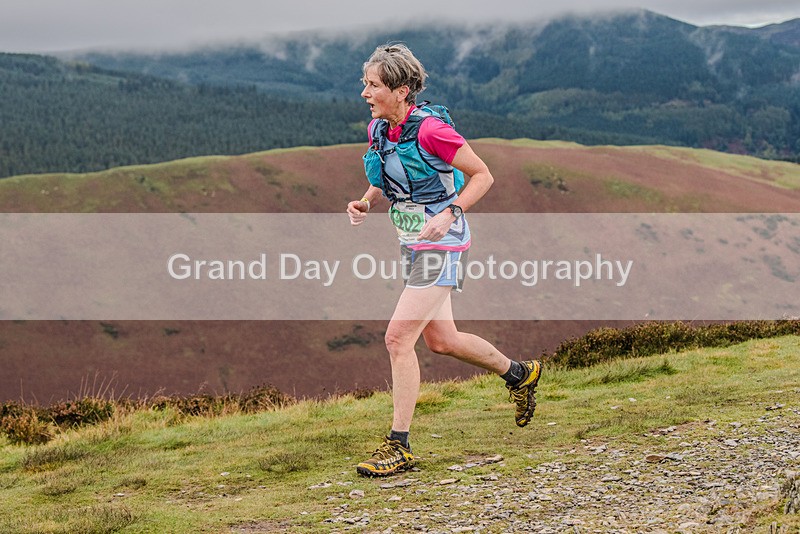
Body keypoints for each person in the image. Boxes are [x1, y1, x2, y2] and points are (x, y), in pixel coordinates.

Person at [346, 43, 542, 477]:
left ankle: (399, 445)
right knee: (441, 340)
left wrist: (451, 212)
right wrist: (364, 202)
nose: (365, 92)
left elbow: (483, 175)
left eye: (373, 84)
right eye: (365, 83)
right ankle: (520, 374)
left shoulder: (432, 130)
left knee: (398, 338)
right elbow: (389, 180)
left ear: (400, 89)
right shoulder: (379, 130)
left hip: (444, 242)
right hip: (411, 242)